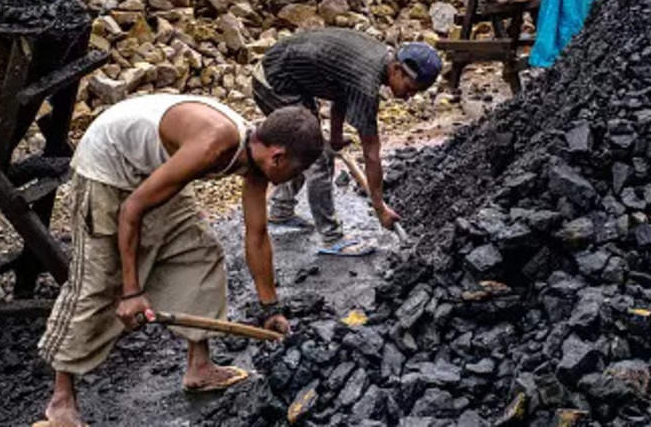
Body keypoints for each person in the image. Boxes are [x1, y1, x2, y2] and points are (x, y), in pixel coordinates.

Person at [37, 95, 324, 426]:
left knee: (201, 251)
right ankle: (61, 400)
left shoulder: (256, 158)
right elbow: (132, 210)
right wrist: (131, 291)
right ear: (278, 156)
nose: (294, 180)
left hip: (154, 167)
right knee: (98, 282)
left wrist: (270, 309)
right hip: (109, 165)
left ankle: (200, 368)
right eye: (297, 171)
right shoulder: (214, 144)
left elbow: (257, 236)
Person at [251, 29, 442, 242]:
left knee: (310, 145)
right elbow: (371, 153)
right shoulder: (366, 83)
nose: (408, 97)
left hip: (289, 76)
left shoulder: (379, 60)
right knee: (317, 156)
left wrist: (335, 137)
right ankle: (332, 238)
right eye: (409, 89)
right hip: (273, 81)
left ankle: (281, 211)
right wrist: (380, 208)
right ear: (397, 69)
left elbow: (340, 92)